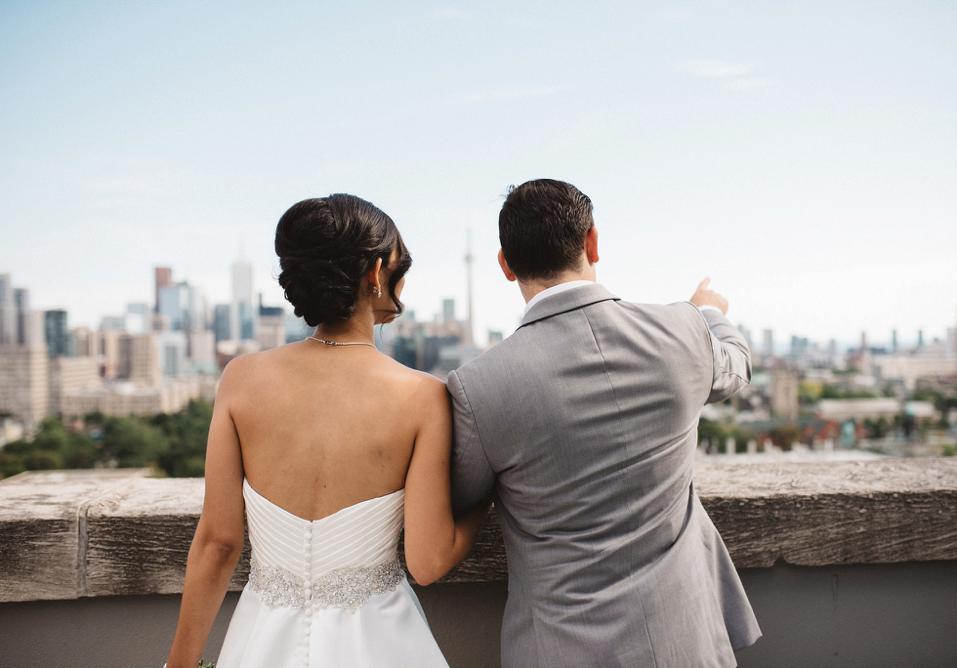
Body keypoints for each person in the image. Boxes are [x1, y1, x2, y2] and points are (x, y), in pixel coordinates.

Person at [447, 179, 763, 667]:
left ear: (506, 265)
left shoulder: (477, 386)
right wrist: (709, 313)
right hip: (684, 643)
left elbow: (459, 499)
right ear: (593, 241)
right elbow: (736, 366)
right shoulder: (682, 331)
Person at [164, 194, 489, 668]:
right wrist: (484, 495)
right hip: (382, 645)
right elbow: (428, 561)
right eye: (401, 265)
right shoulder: (423, 396)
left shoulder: (240, 379)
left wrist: (179, 663)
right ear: (376, 274)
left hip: (260, 642)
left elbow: (218, 543)